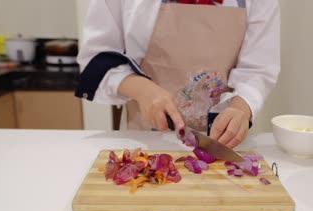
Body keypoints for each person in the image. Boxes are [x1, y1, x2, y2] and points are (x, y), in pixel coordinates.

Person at [76, 0, 280, 148]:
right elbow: (96, 59)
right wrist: (143, 90)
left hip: (220, 144)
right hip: (143, 139)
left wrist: (241, 107)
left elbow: (258, 70)